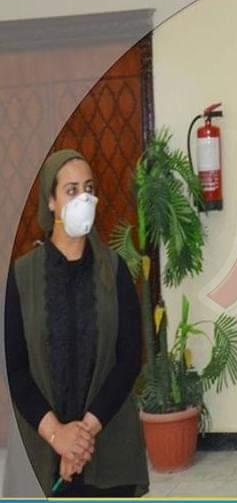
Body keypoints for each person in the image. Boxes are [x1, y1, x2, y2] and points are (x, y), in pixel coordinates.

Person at [4, 150, 149, 497]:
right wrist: (58, 435)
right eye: (71, 190)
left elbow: (129, 359)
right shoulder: (22, 276)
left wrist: (82, 435)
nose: (83, 198)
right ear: (51, 201)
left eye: (89, 188)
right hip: (41, 446)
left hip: (107, 443)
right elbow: (14, 369)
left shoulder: (114, 271)